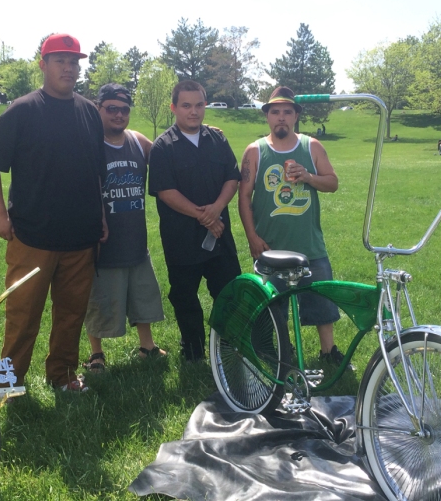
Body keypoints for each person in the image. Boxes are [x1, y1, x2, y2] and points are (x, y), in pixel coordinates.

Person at [0, 33, 107, 393]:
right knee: (22, 316)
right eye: (60, 61)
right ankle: (9, 383)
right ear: (43, 65)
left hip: (81, 238)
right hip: (32, 235)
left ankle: (63, 375)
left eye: (74, 62)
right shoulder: (22, 110)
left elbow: (97, 172)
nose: (69, 67)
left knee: (70, 315)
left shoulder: (88, 112)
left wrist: (101, 217)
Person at [237, 86, 347, 366]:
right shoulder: (255, 151)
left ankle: (328, 352)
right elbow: (244, 196)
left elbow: (332, 183)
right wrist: (251, 237)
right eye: (275, 112)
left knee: (322, 301)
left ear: (296, 115)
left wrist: (309, 176)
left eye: (287, 112)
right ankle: (283, 354)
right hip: (271, 247)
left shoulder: (311, 146)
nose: (281, 118)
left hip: (310, 245)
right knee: (273, 307)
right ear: (267, 117)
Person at [148, 80, 242, 362]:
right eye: (186, 105)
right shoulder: (163, 147)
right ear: (174, 107)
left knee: (229, 294)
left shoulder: (218, 140)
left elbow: (232, 177)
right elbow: (166, 192)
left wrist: (217, 208)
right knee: (185, 298)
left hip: (220, 236)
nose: (193, 111)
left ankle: (229, 347)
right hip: (182, 239)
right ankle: (193, 351)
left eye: (199, 105)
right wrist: (205, 215)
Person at [83, 84, 166, 372]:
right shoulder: (90, 144)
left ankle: (148, 346)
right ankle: (96, 353)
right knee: (99, 297)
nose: (119, 115)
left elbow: (169, 157)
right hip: (102, 241)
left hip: (135, 237)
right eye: (112, 109)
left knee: (142, 293)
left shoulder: (138, 141)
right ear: (99, 109)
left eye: (124, 109)